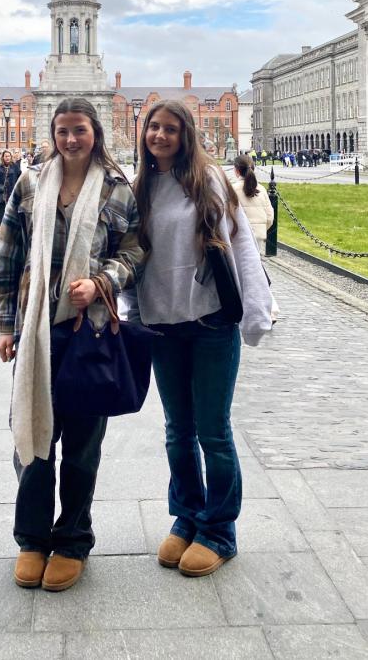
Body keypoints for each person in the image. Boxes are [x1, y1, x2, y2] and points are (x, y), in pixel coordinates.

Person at [0, 98, 142, 593]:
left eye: (79, 130)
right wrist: (6, 323)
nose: (71, 139)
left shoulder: (118, 188)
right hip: (36, 330)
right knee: (32, 437)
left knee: (81, 444)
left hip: (89, 329)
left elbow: (136, 250)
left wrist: (103, 281)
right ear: (53, 134)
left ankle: (73, 538)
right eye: (62, 131)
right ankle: (32, 538)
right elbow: (9, 250)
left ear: (94, 132)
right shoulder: (31, 182)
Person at [132, 100, 272, 578]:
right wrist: (128, 313)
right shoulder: (141, 186)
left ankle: (219, 530)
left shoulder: (208, 181)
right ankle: (187, 515)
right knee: (177, 431)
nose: (161, 136)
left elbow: (241, 248)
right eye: (154, 127)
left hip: (211, 321)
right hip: (163, 325)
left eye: (171, 129)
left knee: (213, 430)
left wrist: (255, 313)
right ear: (143, 133)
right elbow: (134, 257)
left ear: (185, 135)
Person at [233, 155, 279, 324]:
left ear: (236, 170)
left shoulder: (233, 189)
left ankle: (270, 309)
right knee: (255, 271)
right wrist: (260, 230)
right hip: (258, 234)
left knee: (251, 274)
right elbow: (269, 216)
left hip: (240, 237)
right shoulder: (261, 189)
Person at [0, 150, 19, 230]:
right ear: (3, 157)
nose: (7, 158)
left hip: (11, 190)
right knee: (1, 208)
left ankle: (11, 225)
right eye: (5, 156)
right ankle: (2, 225)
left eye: (8, 156)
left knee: (11, 208)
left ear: (11, 157)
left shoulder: (15, 166)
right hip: (0, 191)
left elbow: (19, 177)